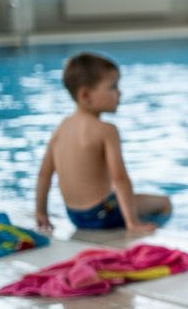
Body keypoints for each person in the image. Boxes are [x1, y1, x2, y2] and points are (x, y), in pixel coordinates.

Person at [34, 52, 172, 236]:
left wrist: (41, 212)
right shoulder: (106, 130)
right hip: (103, 215)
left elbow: (44, 174)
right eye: (112, 87)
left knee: (118, 198)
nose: (119, 92)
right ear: (86, 95)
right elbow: (119, 178)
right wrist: (133, 223)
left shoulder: (61, 128)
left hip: (75, 216)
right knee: (164, 203)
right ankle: (140, 228)